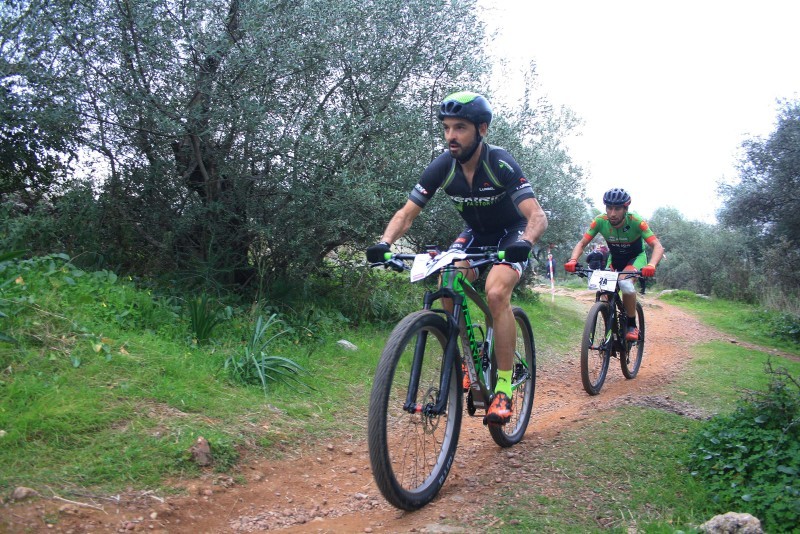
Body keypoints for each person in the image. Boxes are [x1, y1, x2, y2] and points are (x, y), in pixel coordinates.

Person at [366, 91, 548, 426]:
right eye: (447, 128)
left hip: (513, 232)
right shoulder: (442, 167)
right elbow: (407, 213)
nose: (451, 136)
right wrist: (384, 242)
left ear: (483, 130)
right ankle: (471, 356)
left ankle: (504, 389)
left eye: (460, 128)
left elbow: (537, 216)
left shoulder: (500, 164)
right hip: (476, 233)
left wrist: (526, 241)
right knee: (447, 281)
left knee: (496, 292)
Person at [564, 188, 664, 341]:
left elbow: (657, 246)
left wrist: (651, 265)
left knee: (625, 284)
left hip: (635, 258)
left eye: (617, 208)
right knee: (603, 294)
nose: (612, 213)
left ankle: (631, 325)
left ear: (625, 209)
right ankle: (611, 331)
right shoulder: (600, 221)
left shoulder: (637, 221)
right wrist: (572, 260)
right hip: (615, 259)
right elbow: (582, 243)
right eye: (609, 208)